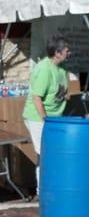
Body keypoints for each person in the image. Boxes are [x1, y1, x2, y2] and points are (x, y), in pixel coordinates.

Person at [22, 36, 71, 196]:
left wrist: (64, 95)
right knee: (45, 153)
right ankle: (43, 191)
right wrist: (46, 120)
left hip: (55, 117)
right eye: (66, 50)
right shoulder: (44, 68)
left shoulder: (63, 68)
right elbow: (36, 97)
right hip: (38, 117)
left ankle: (50, 187)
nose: (69, 53)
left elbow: (60, 90)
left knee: (52, 152)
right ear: (57, 53)